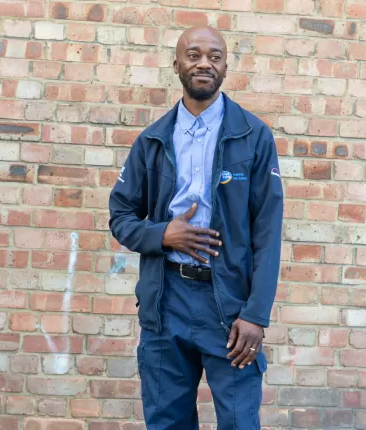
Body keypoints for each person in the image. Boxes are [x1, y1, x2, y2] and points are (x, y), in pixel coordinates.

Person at [109, 25, 284, 430]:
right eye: (193, 54)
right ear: (176, 64)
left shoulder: (253, 136)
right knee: (167, 422)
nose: (204, 62)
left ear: (225, 66)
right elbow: (120, 215)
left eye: (215, 56)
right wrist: (162, 234)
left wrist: (256, 315)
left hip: (229, 305)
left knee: (240, 422)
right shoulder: (152, 140)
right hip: (165, 302)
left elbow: (267, 231)